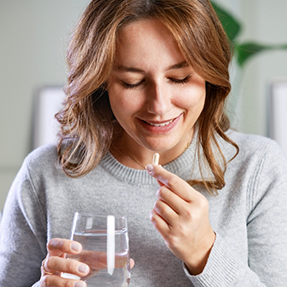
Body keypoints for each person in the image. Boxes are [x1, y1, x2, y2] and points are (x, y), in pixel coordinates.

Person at [0, 0, 287, 286]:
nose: (159, 106)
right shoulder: (44, 176)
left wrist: (204, 252)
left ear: (209, 75)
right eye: (132, 82)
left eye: (180, 78)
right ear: (101, 81)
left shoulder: (258, 168)